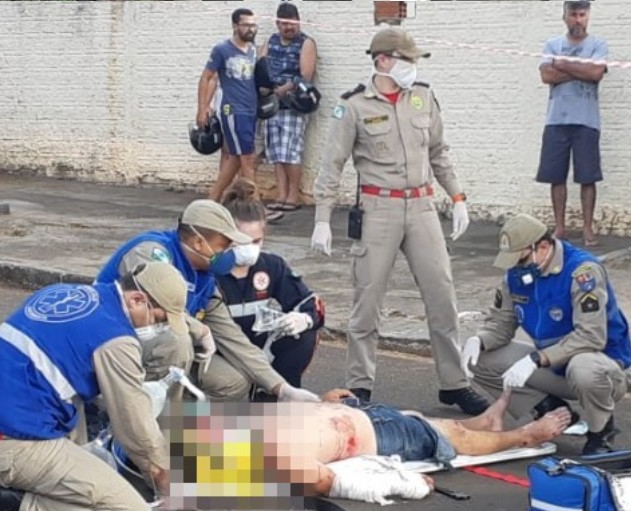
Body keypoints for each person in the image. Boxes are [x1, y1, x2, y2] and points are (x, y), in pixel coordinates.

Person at [311, 27, 489, 417]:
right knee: (368, 300)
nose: (413, 67)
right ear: (383, 60)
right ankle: (359, 384)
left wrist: (457, 197)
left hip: (422, 206)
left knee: (442, 295)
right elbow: (331, 164)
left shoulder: (423, 97)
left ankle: (454, 382)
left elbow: (440, 152)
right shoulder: (354, 106)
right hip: (378, 209)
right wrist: (322, 217)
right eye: (406, 60)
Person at [0, 262, 191, 511]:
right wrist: (162, 479)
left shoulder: (65, 292)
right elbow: (133, 427)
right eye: (158, 320)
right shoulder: (116, 340)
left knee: (87, 430)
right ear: (136, 300)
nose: (157, 328)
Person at [95, 199, 320, 404]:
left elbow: (232, 338)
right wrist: (200, 330)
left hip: (163, 350)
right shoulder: (152, 252)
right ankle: (135, 421)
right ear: (199, 243)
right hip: (113, 344)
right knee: (178, 341)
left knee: (233, 382)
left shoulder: (204, 278)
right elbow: (155, 305)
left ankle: (184, 425)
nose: (230, 254)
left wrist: (281, 388)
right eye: (224, 246)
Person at [178, 388, 572, 500]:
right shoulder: (267, 461)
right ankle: (523, 435)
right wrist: (403, 483)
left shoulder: (241, 429)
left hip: (359, 412)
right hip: (377, 436)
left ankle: (482, 420)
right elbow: (333, 482)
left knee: (439, 424)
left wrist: (325, 400)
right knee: (452, 439)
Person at [463, 214, 631, 456]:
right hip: (553, 367)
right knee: (481, 358)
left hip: (599, 369)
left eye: (520, 257)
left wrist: (535, 360)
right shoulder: (516, 274)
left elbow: (591, 337)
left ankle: (601, 432)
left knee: (584, 368)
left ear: (542, 247)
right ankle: (554, 411)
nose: (516, 266)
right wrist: (479, 340)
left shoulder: (583, 272)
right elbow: (502, 323)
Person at [216, 179, 324, 392]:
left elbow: (310, 303)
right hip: (220, 352)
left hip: (260, 350)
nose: (250, 249)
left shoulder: (271, 266)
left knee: (304, 335)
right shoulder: (209, 271)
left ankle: (278, 400)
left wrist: (305, 318)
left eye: (256, 241)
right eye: (242, 242)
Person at [536, 0, 608, 248]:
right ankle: (560, 228)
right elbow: (546, 75)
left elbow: (596, 74)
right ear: (564, 16)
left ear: (588, 16)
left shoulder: (598, 44)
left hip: (587, 121)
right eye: (573, 14)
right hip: (556, 119)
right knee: (556, 177)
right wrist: (581, 68)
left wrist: (563, 64)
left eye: (582, 14)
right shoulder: (552, 44)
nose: (578, 19)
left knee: (588, 177)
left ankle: (588, 229)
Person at [259, 2, 317, 217]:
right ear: (277, 24)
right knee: (276, 153)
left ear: (298, 20)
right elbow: (261, 65)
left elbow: (306, 75)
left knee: (291, 152)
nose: (288, 28)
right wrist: (263, 85)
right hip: (271, 104)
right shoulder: (270, 42)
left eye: (292, 23)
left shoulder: (306, 43)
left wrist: (284, 88)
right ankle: (281, 195)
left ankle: (293, 196)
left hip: (293, 104)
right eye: (284, 24)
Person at [197, 7, 260, 202]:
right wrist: (202, 109)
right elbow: (207, 78)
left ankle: (212, 199)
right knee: (247, 159)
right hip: (233, 110)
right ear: (235, 26)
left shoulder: (253, 51)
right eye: (246, 25)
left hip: (251, 109)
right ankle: (254, 206)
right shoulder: (222, 50)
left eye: (253, 25)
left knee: (234, 158)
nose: (251, 29)